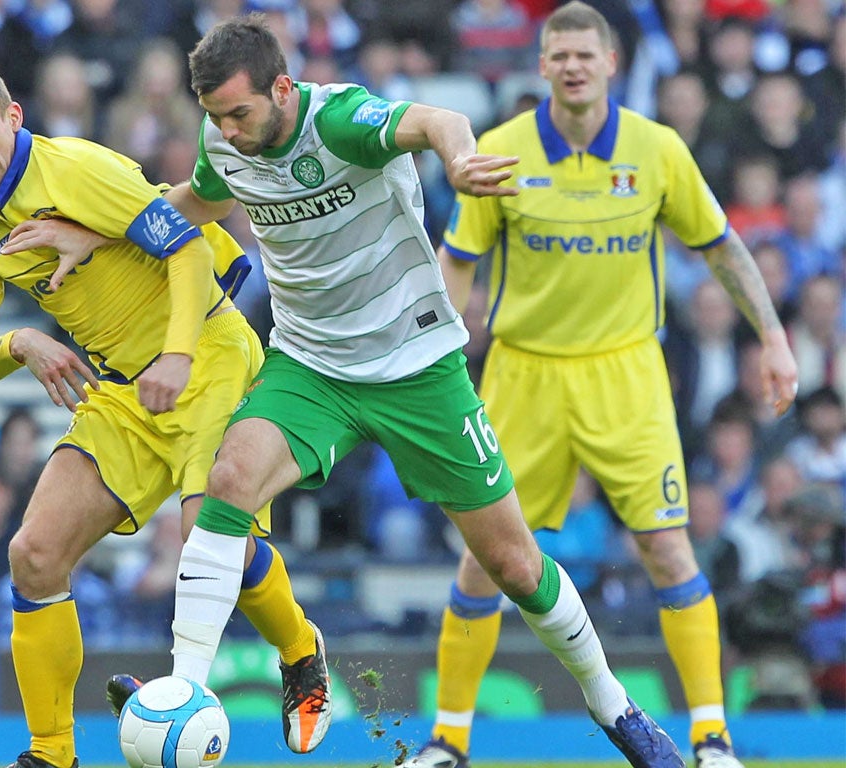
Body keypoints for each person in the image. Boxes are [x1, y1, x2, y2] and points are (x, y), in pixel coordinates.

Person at [46, 13, 685, 766]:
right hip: (312, 365)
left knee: (512, 563)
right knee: (230, 478)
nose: (229, 130)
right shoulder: (226, 139)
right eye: (216, 116)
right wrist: (102, 232)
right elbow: (200, 199)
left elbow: (440, 119)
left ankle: (617, 709)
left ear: (283, 87)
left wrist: (459, 159)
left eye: (241, 113)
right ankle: (187, 685)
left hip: (417, 366)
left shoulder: (340, 120)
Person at [0, 57, 329, 768]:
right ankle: (52, 753)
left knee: (209, 535)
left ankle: (299, 648)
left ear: (14, 115)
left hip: (206, 352)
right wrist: (20, 342)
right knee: (33, 556)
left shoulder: (76, 167)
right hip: (123, 390)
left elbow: (191, 250)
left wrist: (175, 355)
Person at [427, 4, 800, 768]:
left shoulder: (657, 150)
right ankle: (449, 740)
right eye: (558, 55)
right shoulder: (498, 151)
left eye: (584, 56)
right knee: (486, 560)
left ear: (611, 63)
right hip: (523, 374)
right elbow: (459, 254)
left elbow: (721, 247)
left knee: (668, 549)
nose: (572, 67)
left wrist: (772, 336)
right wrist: (439, 342)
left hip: (626, 372)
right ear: (541, 65)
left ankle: (711, 737)